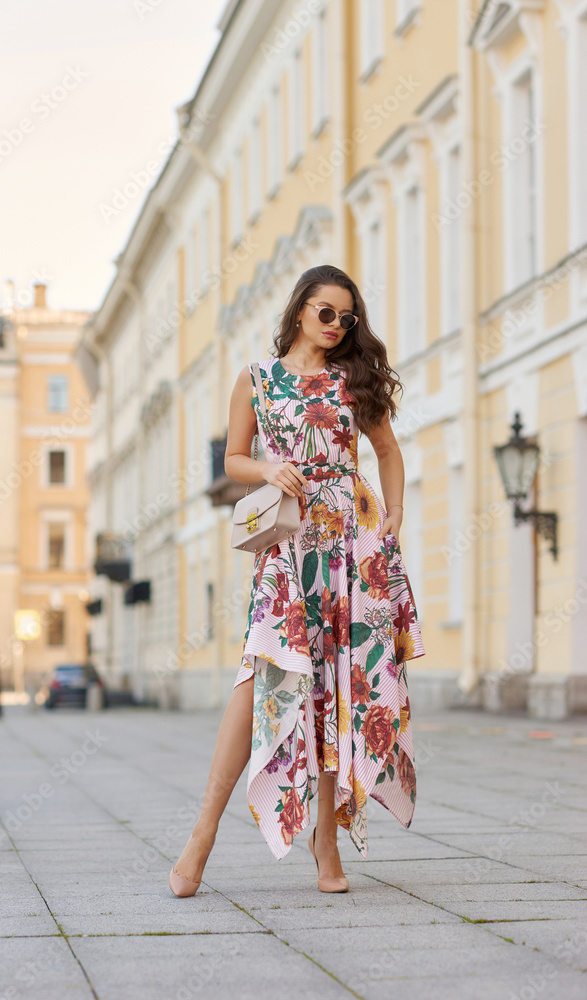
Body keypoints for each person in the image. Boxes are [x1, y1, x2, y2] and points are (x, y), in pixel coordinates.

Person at [169, 263, 425, 897]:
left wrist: (393, 516)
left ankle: (328, 840)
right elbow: (233, 457)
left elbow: (387, 451)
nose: (337, 326)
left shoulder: (350, 381)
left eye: (348, 317)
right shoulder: (255, 380)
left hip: (352, 545)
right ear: (300, 310)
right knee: (263, 672)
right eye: (326, 313)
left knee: (341, 681)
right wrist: (268, 469)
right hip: (289, 546)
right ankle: (202, 835)